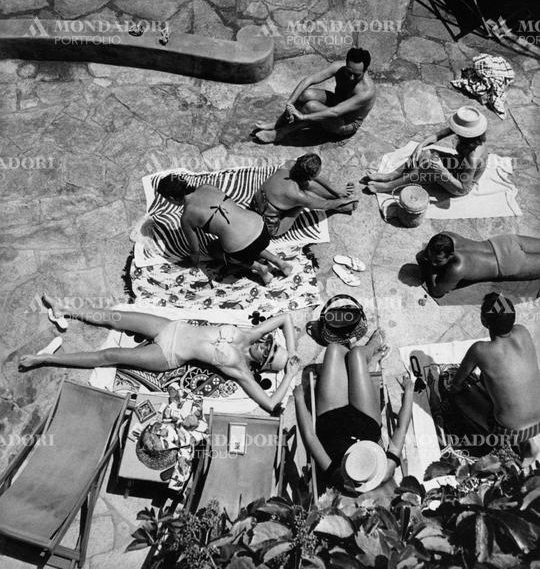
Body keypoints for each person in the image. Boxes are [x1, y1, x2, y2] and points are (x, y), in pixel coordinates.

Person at [19, 299, 301, 414]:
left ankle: (45, 359)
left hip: (168, 354)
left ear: (260, 365)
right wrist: (293, 353)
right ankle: (65, 309)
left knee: (109, 355)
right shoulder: (249, 334)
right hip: (170, 327)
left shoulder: (241, 369)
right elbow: (286, 318)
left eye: (268, 354)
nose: (265, 347)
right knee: (114, 317)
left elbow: (270, 404)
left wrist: (288, 375)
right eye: (271, 345)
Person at [294, 330, 414, 497]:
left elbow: (310, 437)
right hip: (365, 419)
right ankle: (372, 349)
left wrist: (299, 400)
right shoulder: (386, 470)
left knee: (334, 349)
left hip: (331, 419)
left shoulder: (337, 477)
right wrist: (409, 391)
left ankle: (360, 365)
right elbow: (401, 427)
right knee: (356, 355)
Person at [155, 175, 293, 285]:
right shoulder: (206, 187)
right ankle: (280, 262)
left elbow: (195, 250)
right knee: (244, 236)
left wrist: (192, 262)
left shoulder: (186, 218)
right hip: (262, 230)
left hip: (241, 249)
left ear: (171, 198)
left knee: (214, 248)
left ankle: (259, 268)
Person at [450, 294, 540, 446]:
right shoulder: (523, 331)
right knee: (490, 380)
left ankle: (521, 446)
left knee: (457, 396)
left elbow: (456, 384)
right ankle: (528, 443)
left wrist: (455, 388)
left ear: (484, 321)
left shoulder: (479, 350)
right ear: (513, 318)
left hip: (510, 433)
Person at [252, 47, 376, 144]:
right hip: (336, 103)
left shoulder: (366, 92)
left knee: (310, 107)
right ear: (346, 63)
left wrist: (303, 116)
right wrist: (290, 102)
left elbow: (335, 112)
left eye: (356, 75)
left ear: (365, 71)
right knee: (305, 94)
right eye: (349, 72)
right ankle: (279, 122)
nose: (351, 77)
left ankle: (280, 133)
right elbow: (309, 80)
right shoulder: (339, 67)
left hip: (345, 123)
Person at [364, 106, 487, 197]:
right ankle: (391, 175)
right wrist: (420, 146)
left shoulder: (473, 157)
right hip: (458, 165)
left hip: (459, 184)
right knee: (427, 153)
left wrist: (442, 171)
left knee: (429, 167)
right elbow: (438, 135)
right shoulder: (467, 136)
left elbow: (462, 188)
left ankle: (389, 186)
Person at [251, 153, 358, 237]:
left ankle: (336, 196)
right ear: (310, 176)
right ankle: (341, 206)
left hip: (255, 202)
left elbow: (314, 178)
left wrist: (336, 190)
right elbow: (325, 205)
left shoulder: (290, 164)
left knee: (306, 184)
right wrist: (344, 201)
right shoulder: (298, 195)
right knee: (301, 203)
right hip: (270, 226)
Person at [418, 231, 540, 298]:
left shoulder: (457, 268)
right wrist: (429, 256)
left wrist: (428, 269)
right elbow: (431, 246)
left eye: (438, 261)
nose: (433, 263)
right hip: (504, 242)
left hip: (508, 264)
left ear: (451, 255)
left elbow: (437, 291)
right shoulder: (447, 236)